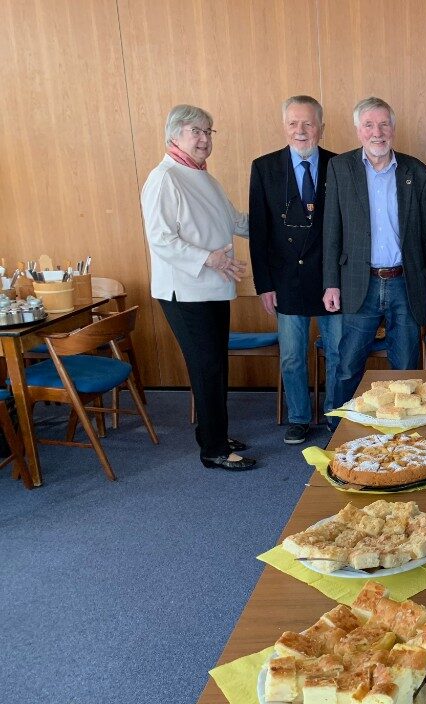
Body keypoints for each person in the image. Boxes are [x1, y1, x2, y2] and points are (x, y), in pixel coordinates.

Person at [141, 104, 255, 471]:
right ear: (174, 135)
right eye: (196, 131)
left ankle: (213, 432)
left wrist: (280, 221)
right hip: (186, 291)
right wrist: (210, 259)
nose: (205, 139)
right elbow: (160, 239)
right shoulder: (164, 178)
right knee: (206, 368)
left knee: (215, 365)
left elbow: (234, 221)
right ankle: (214, 450)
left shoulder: (203, 175)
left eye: (209, 131)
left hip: (213, 287)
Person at [322, 97, 426, 402]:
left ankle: (403, 438)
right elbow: (331, 232)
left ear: (393, 128)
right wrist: (331, 283)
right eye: (369, 125)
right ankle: (338, 431)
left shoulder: (418, 173)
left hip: (405, 284)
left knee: (406, 370)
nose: (376, 132)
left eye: (383, 124)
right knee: (347, 365)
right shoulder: (340, 168)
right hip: (358, 283)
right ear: (358, 130)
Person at [249, 95, 340, 445]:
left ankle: (334, 415)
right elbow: (259, 232)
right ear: (284, 126)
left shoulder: (340, 165)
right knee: (292, 356)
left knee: (336, 352)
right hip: (285, 279)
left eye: (308, 123)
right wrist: (263, 284)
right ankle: (299, 417)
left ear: (321, 126)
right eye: (293, 123)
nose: (300, 131)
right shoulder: (265, 167)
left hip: (331, 278)